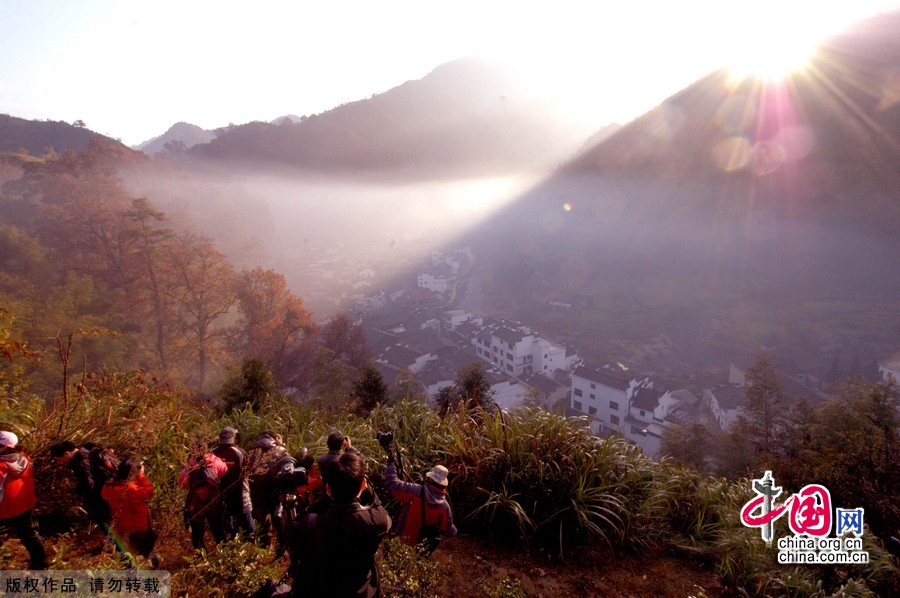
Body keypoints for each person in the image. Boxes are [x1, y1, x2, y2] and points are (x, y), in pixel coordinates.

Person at [287, 450, 391, 597]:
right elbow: (377, 506)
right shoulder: (376, 521)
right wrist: (367, 490)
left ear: (328, 488)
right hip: (360, 592)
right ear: (363, 486)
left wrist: (327, 496)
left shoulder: (309, 524)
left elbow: (293, 533)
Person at [383, 447, 456, 554]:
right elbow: (448, 531)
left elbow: (392, 484)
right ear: (443, 484)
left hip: (402, 543)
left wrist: (391, 465)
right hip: (422, 549)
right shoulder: (445, 507)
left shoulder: (415, 491)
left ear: (430, 479)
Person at [0, 431, 47, 570]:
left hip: (6, 507)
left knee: (26, 533)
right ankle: (41, 564)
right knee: (28, 534)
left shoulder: (2, 465)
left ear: (5, 447)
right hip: (25, 503)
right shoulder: (25, 459)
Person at [101, 458, 158, 567]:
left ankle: (130, 574)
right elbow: (149, 491)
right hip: (140, 528)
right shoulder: (131, 490)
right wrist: (141, 476)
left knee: (128, 554)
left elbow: (105, 493)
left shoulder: (108, 488)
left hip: (123, 528)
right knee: (149, 552)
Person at [50, 440, 114, 527]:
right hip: (112, 490)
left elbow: (88, 485)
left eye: (59, 459)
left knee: (106, 522)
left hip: (101, 497)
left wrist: (80, 492)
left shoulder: (80, 463)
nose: (60, 462)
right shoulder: (89, 452)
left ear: (66, 454)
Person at [178, 444, 228, 551]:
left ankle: (200, 554)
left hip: (196, 502)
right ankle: (224, 552)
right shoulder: (215, 461)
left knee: (197, 531)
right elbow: (224, 470)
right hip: (213, 501)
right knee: (217, 528)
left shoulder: (190, 466)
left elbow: (181, 482)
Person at [247, 431, 289, 547]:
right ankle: (282, 542)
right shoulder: (279, 450)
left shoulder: (252, 452)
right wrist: (282, 445)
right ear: (275, 438)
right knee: (277, 514)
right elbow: (288, 463)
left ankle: (265, 544)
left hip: (256, 489)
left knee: (262, 516)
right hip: (274, 488)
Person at [211, 427, 253, 539]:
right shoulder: (240, 452)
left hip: (219, 494)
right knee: (247, 523)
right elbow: (248, 472)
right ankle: (252, 544)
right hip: (239, 493)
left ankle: (230, 544)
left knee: (226, 521)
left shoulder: (212, 453)